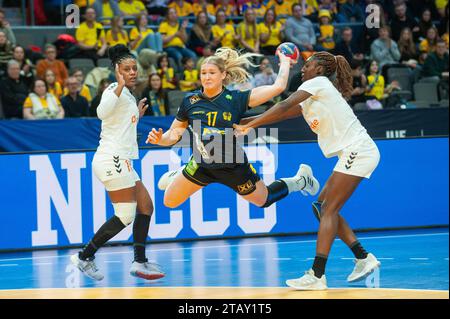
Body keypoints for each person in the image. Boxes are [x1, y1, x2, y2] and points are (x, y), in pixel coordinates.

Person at [233, 51, 381, 290]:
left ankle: (317, 275)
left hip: (359, 150)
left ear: (320, 70)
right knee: (320, 208)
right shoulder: (311, 94)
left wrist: (250, 124)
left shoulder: (319, 83)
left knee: (329, 210)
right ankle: (364, 258)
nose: (302, 68)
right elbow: (281, 113)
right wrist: (246, 123)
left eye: (308, 65)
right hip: (350, 153)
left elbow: (283, 103)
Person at [146, 47, 319, 213]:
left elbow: (278, 87)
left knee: (264, 200)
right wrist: (160, 139)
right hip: (202, 165)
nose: (206, 77)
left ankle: (300, 180)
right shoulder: (190, 101)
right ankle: (182, 171)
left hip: (233, 167)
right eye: (203, 73)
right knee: (169, 202)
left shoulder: (236, 99)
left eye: (212, 73)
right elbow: (174, 134)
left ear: (223, 75)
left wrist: (284, 61)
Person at [70, 44, 165, 281]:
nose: (133, 72)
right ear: (117, 70)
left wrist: (136, 117)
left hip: (123, 160)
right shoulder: (114, 88)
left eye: (134, 68)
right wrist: (120, 85)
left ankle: (139, 261)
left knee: (146, 207)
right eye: (127, 69)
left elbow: (119, 123)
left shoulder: (127, 95)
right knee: (125, 215)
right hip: (111, 158)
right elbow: (102, 112)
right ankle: (84, 256)